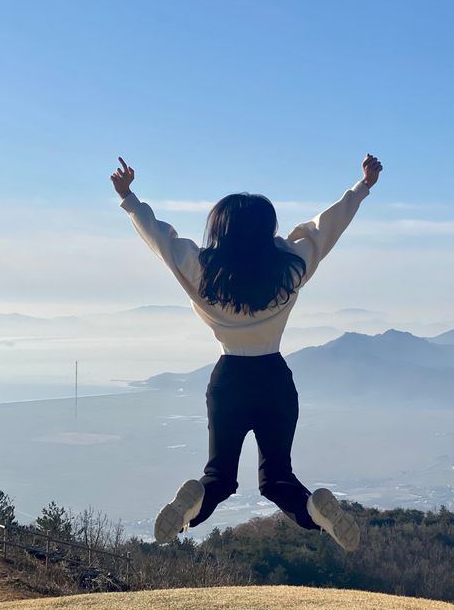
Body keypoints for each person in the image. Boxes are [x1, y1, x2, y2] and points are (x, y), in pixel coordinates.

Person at [110, 153, 383, 550]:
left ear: (219, 228)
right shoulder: (290, 265)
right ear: (266, 227)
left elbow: (161, 239)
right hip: (274, 378)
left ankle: (191, 506)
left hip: (229, 380)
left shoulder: (201, 268)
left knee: (219, 477)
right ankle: (314, 511)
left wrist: (130, 198)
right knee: (277, 478)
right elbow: (327, 228)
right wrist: (362, 187)